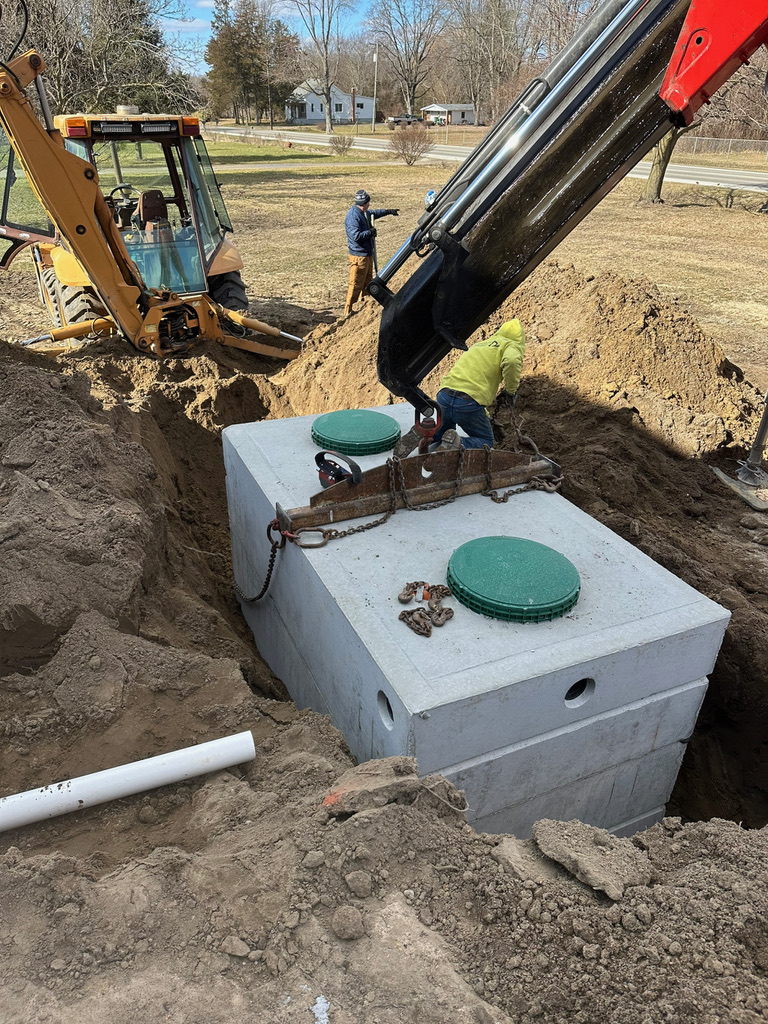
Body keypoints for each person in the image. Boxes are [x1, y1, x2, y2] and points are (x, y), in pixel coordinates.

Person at [394, 319, 526, 458]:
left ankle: (424, 433)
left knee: (442, 433)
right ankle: (458, 444)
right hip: (467, 403)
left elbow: (470, 383)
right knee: (486, 440)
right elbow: (511, 361)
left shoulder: (481, 345)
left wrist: (487, 419)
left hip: (444, 395)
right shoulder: (511, 346)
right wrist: (510, 392)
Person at [344, 190, 398, 315]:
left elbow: (373, 214)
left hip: (367, 254)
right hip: (359, 257)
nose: (369, 205)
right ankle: (349, 311)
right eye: (368, 202)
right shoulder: (353, 216)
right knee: (356, 284)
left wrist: (388, 211)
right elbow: (355, 236)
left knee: (368, 282)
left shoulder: (364, 212)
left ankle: (364, 306)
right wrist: (370, 233)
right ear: (364, 203)